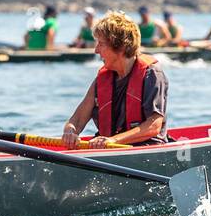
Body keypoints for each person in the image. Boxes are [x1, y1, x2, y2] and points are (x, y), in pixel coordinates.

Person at [61, 10, 169, 148]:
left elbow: (153, 126)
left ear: (120, 47)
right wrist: (70, 131)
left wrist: (114, 140)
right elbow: (77, 120)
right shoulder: (103, 79)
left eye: (101, 44)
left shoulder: (152, 74)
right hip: (107, 146)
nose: (96, 50)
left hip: (144, 147)